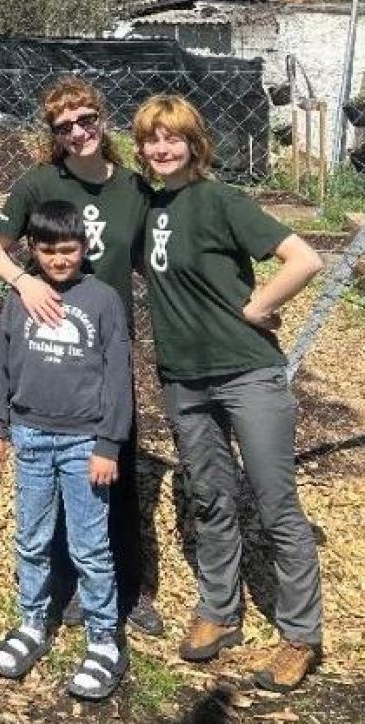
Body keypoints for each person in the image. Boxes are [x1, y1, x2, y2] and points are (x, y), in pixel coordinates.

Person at [133, 95, 324, 693]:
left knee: (274, 503)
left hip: (247, 374)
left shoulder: (221, 200)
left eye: (173, 138)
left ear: (195, 144)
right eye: (151, 140)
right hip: (184, 377)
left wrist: (259, 306)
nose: (162, 149)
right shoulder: (147, 209)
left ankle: (301, 636)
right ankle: (220, 613)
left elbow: (304, 258)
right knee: (210, 497)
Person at [0, 76, 162, 637]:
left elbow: (153, 261)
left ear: (102, 119)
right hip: (49, 346)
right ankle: (60, 585)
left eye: (86, 120)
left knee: (115, 469)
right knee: (51, 480)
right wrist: (22, 282)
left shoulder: (133, 186)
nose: (78, 132)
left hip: (104, 344)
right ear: (53, 135)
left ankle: (125, 589)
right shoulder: (39, 183)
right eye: (65, 126)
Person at [0, 200, 133, 702]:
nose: (59, 260)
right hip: (30, 435)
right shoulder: (20, 296)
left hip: (85, 441)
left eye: (68, 250)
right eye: (48, 251)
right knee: (32, 536)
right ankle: (32, 622)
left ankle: (104, 638)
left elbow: (117, 378)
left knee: (90, 546)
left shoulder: (104, 300)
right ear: (33, 250)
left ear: (83, 248)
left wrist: (109, 443)